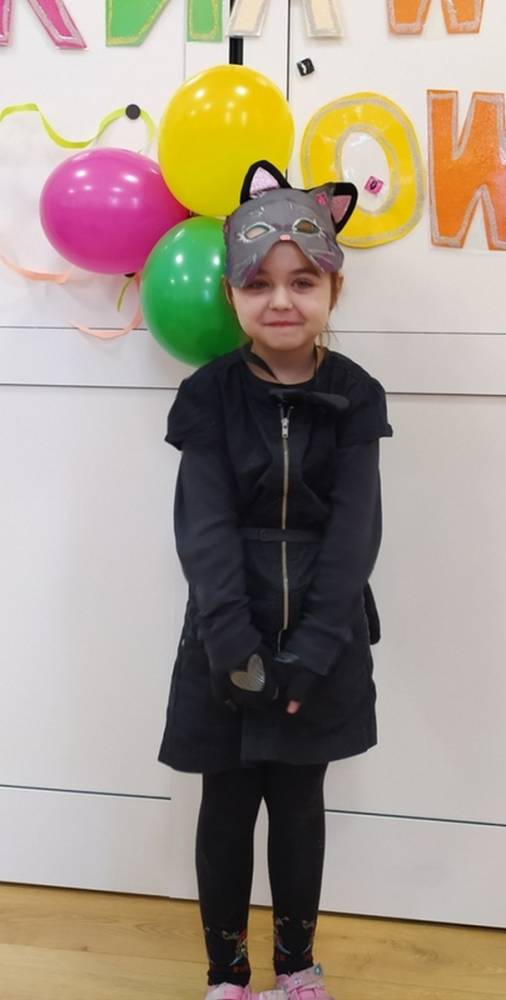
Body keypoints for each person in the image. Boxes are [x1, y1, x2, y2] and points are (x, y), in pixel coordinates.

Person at [157, 160, 394, 1000]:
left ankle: (297, 966)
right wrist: (236, 651)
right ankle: (226, 974)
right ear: (232, 296)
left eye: (302, 281)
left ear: (333, 287)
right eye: (258, 284)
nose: (281, 301)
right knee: (225, 812)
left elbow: (356, 532)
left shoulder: (357, 396)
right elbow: (204, 530)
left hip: (324, 646)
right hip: (225, 640)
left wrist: (315, 650)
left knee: (299, 808)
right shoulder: (209, 397)